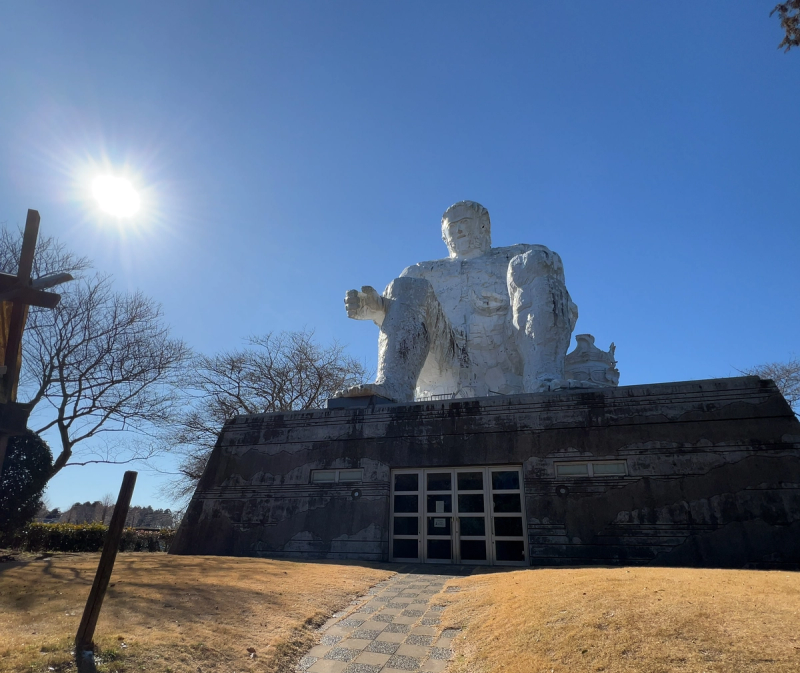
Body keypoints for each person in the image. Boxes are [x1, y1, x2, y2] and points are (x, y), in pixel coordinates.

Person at [340, 200, 578, 402]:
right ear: (444, 235)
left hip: (508, 355)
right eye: (452, 227)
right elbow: (403, 322)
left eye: (465, 223)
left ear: (484, 227)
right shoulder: (423, 271)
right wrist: (377, 310)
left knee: (538, 259)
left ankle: (543, 378)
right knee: (407, 285)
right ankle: (393, 387)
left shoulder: (513, 257)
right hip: (444, 364)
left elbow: (560, 305)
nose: (459, 231)